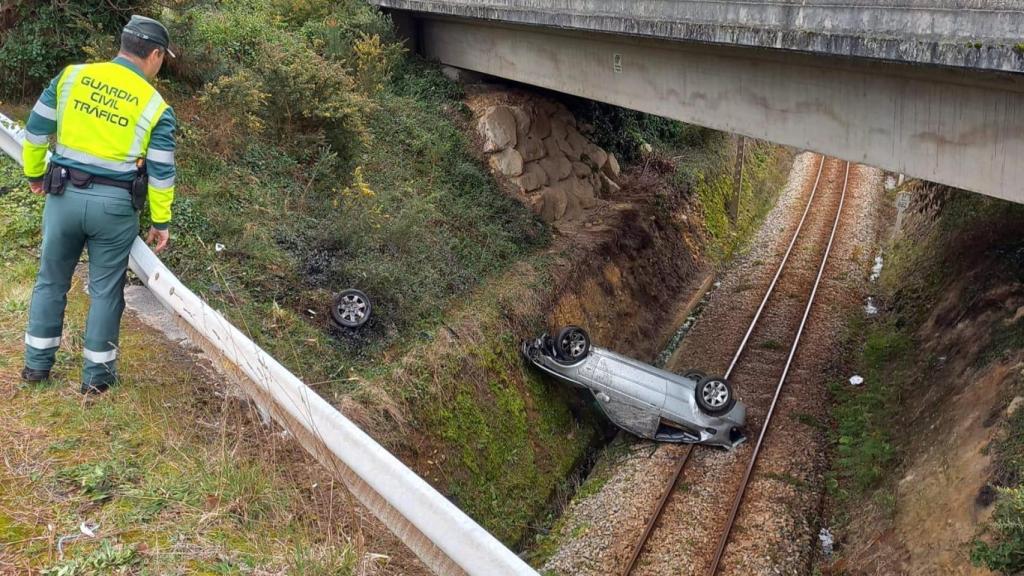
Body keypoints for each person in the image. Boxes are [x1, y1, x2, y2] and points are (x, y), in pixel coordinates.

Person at [20, 15, 177, 394]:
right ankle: (97, 381)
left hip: (62, 198)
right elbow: (161, 174)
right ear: (154, 55)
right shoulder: (156, 107)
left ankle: (36, 367)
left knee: (51, 281)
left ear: (123, 44)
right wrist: (161, 220)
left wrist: (36, 175)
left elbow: (36, 131)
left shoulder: (71, 77)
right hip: (115, 209)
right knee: (106, 291)